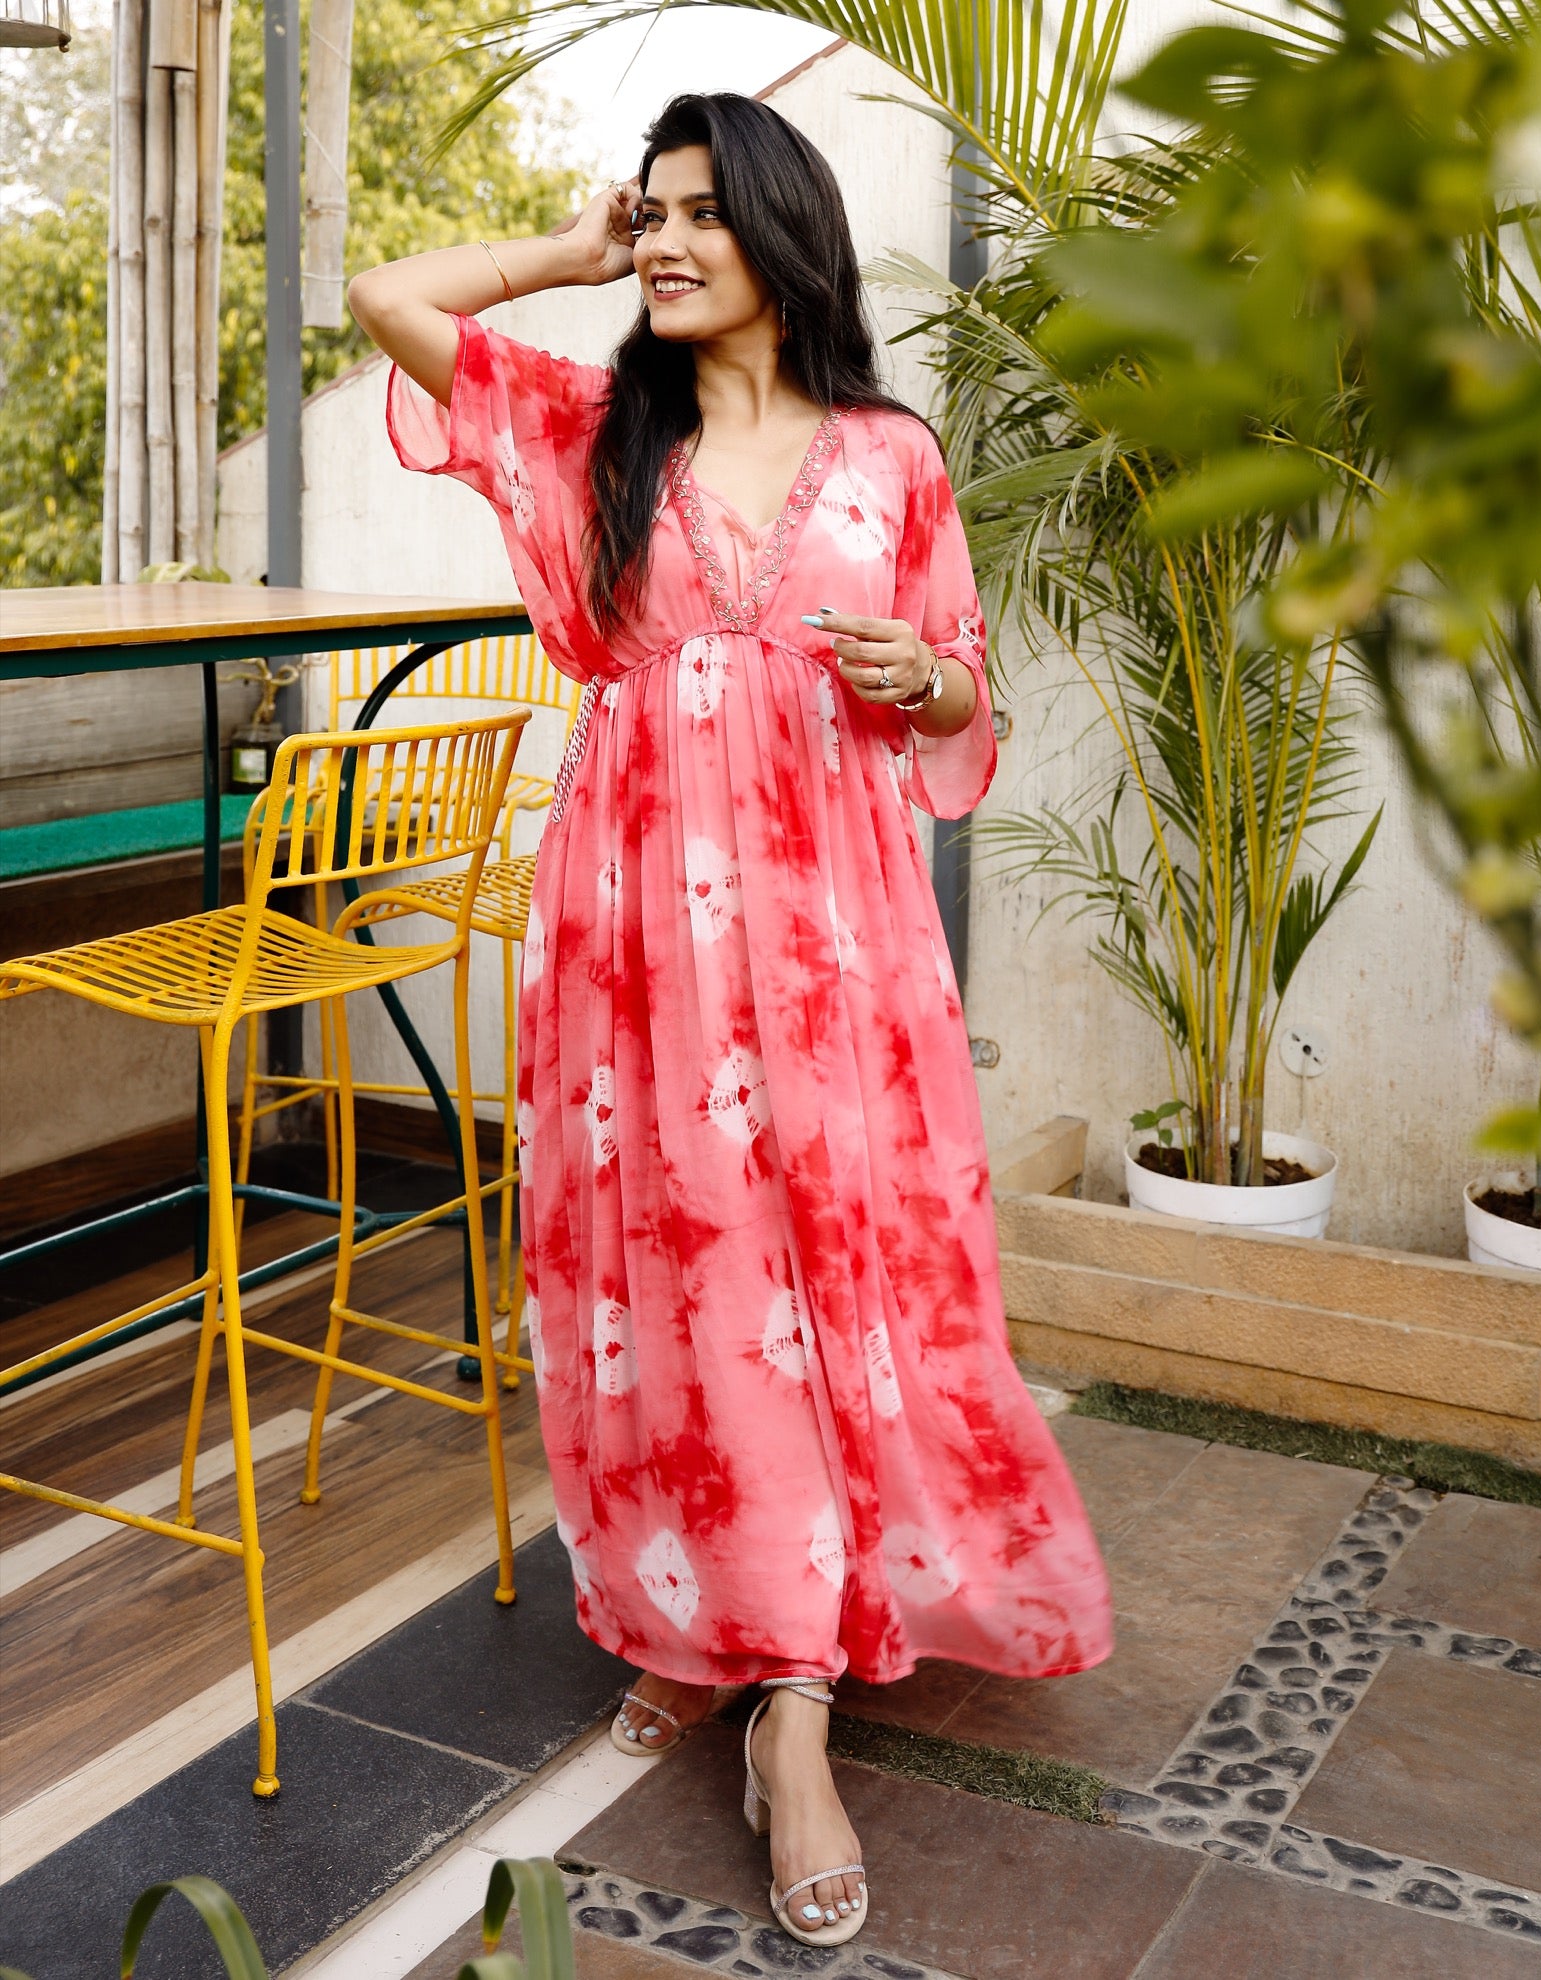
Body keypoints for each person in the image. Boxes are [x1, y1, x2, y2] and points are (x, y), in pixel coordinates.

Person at [349, 89, 1111, 1951]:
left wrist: (928, 672)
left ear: (787, 233)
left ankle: (793, 1694)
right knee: (678, 1277)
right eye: (655, 211)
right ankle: (725, 1629)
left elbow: (958, 709)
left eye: (702, 212)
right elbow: (387, 291)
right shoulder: (603, 427)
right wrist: (574, 250)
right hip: (640, 948)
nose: (670, 239)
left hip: (841, 949)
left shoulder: (891, 456)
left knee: (838, 1266)